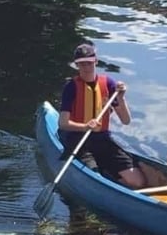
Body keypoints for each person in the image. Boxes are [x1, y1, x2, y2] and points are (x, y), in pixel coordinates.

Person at [58, 41, 146, 189]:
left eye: (89, 63)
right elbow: (63, 123)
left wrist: (121, 97)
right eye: (82, 64)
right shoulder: (71, 87)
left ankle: (108, 174)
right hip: (79, 140)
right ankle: (102, 177)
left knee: (138, 182)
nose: (86, 67)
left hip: (103, 140)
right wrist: (85, 126)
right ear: (76, 65)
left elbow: (125, 120)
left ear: (96, 62)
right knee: (95, 180)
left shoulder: (109, 84)